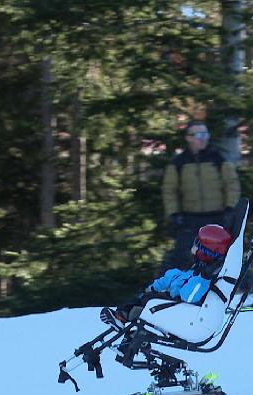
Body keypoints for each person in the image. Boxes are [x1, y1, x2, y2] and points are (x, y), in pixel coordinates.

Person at [101, 224, 233, 329]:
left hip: (178, 307)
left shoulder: (204, 278)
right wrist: (154, 287)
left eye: (197, 245)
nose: (193, 248)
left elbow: (189, 297)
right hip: (173, 299)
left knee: (148, 299)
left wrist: (204, 278)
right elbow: (177, 277)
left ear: (206, 252)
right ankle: (123, 316)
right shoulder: (198, 268)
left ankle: (122, 317)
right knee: (144, 295)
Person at [161, 120, 241, 270]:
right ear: (189, 137)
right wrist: (173, 214)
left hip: (218, 218)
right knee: (184, 258)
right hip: (189, 220)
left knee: (226, 259)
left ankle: (244, 290)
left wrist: (230, 209)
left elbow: (232, 184)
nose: (203, 138)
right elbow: (169, 190)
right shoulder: (178, 162)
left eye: (205, 134)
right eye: (198, 134)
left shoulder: (219, 159)